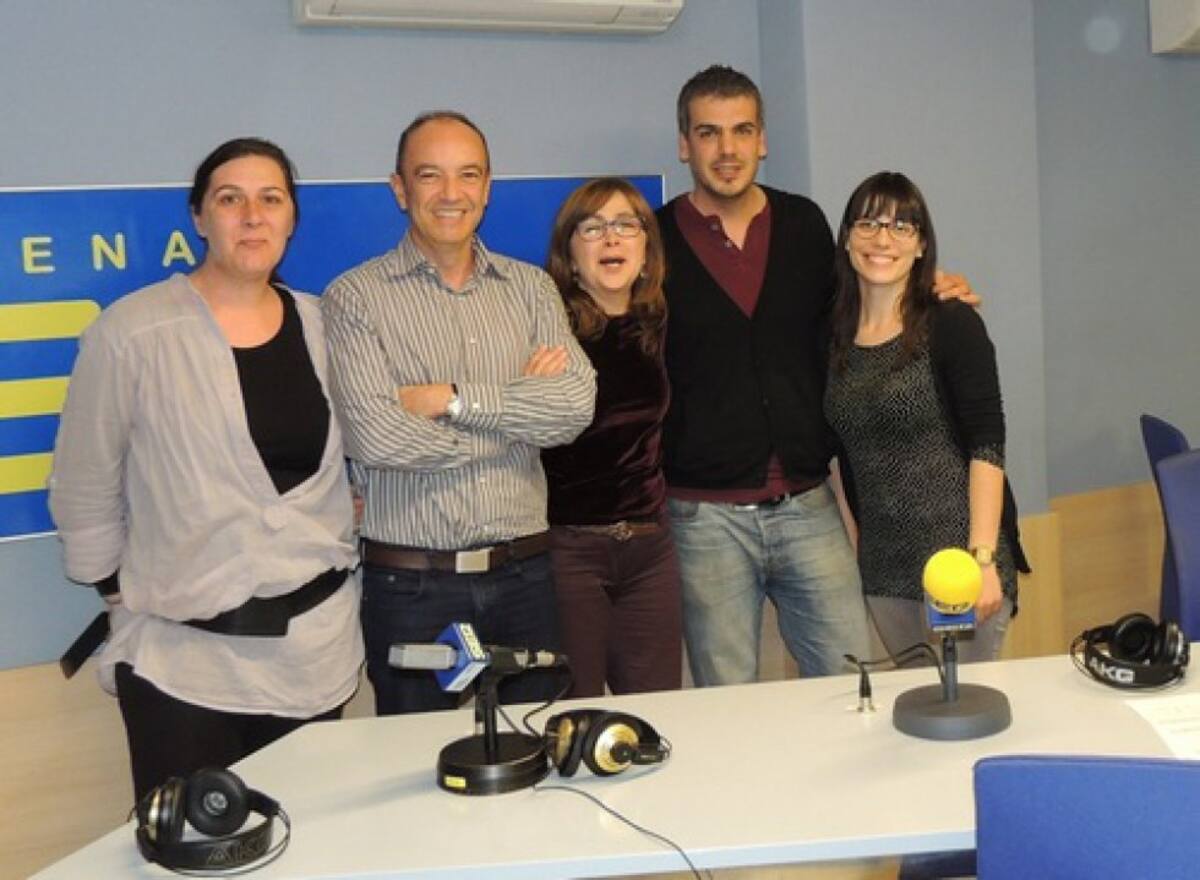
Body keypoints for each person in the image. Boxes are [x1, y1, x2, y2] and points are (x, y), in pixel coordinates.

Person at [49, 138, 362, 802]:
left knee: (303, 841)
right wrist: (115, 590)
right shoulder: (132, 332)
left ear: (291, 217)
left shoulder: (325, 327)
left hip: (314, 656)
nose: (252, 216)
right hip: (183, 666)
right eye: (229, 199)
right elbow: (83, 482)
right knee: (190, 846)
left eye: (270, 199)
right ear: (198, 217)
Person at [658, 65, 976, 687]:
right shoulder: (657, 238)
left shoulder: (803, 224)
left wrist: (930, 289)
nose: (727, 149)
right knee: (727, 699)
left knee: (851, 681)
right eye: (708, 132)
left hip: (808, 503)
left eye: (741, 130)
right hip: (704, 517)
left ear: (762, 140)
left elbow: (861, 308)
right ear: (684, 144)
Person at [321, 112, 596, 715]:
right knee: (414, 758)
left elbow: (574, 408)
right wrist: (515, 422)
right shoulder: (354, 298)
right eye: (430, 175)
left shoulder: (531, 289)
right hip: (412, 587)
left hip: (526, 577)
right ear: (400, 189)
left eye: (468, 175)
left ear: (488, 187)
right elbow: (375, 438)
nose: (452, 193)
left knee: (535, 748)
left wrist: (450, 400)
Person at [824, 172, 1030, 662]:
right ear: (847, 238)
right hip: (884, 571)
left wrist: (982, 560)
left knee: (966, 699)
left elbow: (987, 445)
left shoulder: (951, 322)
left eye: (901, 226)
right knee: (915, 699)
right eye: (868, 224)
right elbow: (838, 455)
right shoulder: (832, 338)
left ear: (921, 245)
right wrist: (855, 549)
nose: (882, 239)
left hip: (960, 563)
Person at [541, 178, 682, 697]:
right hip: (570, 551)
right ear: (570, 256)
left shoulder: (658, 324)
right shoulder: (546, 331)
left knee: (655, 712)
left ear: (646, 248)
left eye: (626, 225)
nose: (611, 238)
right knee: (571, 715)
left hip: (650, 548)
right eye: (593, 228)